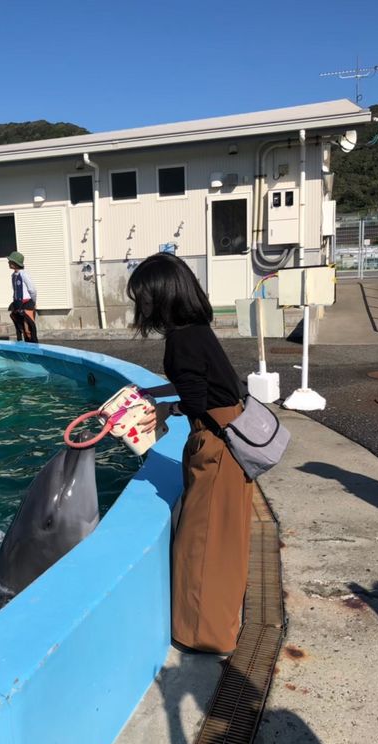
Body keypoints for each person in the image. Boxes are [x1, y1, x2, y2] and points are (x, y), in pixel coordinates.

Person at [127, 252, 253, 655]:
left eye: (142, 297)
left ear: (161, 297)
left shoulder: (180, 341)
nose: (139, 305)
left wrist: (165, 410)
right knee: (225, 539)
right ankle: (222, 622)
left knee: (201, 543)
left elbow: (197, 401)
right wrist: (160, 395)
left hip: (216, 445)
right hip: (234, 436)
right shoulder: (198, 329)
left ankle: (203, 634)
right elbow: (212, 384)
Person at [8, 250, 38, 343]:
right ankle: (23, 348)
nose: (8, 262)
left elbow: (32, 290)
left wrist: (33, 302)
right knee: (20, 328)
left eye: (10, 261)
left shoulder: (24, 275)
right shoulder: (13, 275)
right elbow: (16, 290)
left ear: (15, 263)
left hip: (26, 304)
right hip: (18, 305)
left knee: (28, 329)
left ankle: (34, 349)